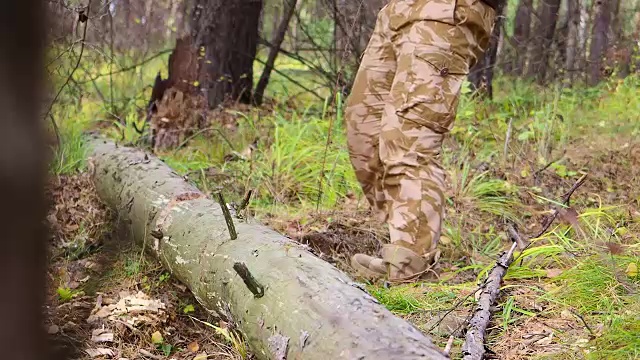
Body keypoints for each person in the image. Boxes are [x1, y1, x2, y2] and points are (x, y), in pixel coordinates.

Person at [346, 0, 498, 282]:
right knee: (363, 130)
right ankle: (402, 243)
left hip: (444, 11)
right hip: (396, 12)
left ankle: (411, 265)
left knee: (409, 140)